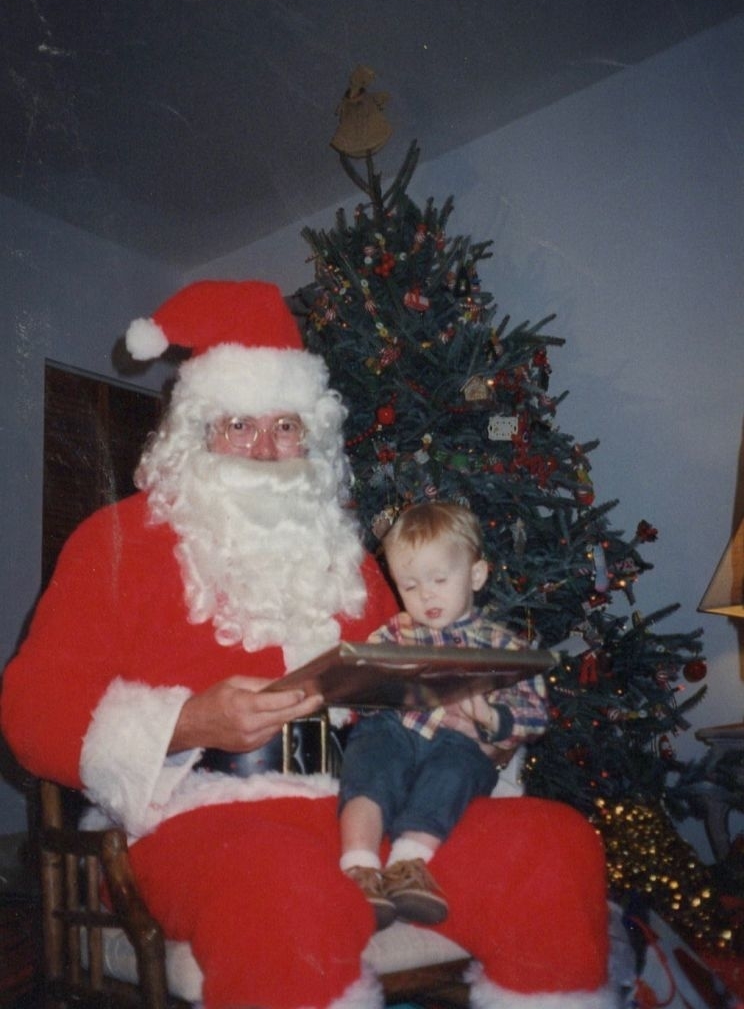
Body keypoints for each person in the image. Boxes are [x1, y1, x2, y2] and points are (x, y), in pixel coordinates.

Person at [1, 280, 614, 1009]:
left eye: (286, 426)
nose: (264, 449)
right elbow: (32, 715)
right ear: (196, 434)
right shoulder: (114, 542)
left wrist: (471, 719)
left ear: (311, 438)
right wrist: (192, 720)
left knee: (553, 845)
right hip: (205, 818)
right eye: (238, 425)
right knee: (284, 884)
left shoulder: (349, 558)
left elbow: (409, 676)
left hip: (369, 805)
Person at [339, 502, 549, 930]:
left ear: (475, 575)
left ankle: (407, 863)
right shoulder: (395, 632)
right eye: (410, 585)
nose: (426, 595)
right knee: (370, 766)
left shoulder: (502, 645)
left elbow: (535, 710)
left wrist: (490, 717)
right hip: (394, 730)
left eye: (439, 579)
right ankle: (358, 866)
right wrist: (366, 688)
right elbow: (359, 689)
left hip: (457, 742)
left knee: (457, 770)